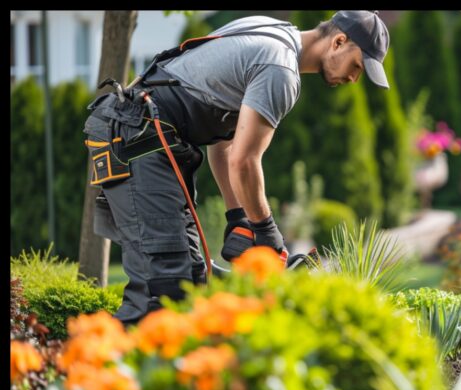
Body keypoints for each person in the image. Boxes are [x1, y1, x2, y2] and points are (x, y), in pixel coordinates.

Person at [86, 10, 391, 326]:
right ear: (339, 41)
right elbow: (244, 161)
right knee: (162, 290)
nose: (354, 79)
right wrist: (267, 232)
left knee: (192, 278)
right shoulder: (280, 69)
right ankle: (91, 367)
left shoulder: (272, 30)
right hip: (138, 138)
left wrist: (238, 217)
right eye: (357, 66)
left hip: (146, 137)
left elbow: (225, 142)